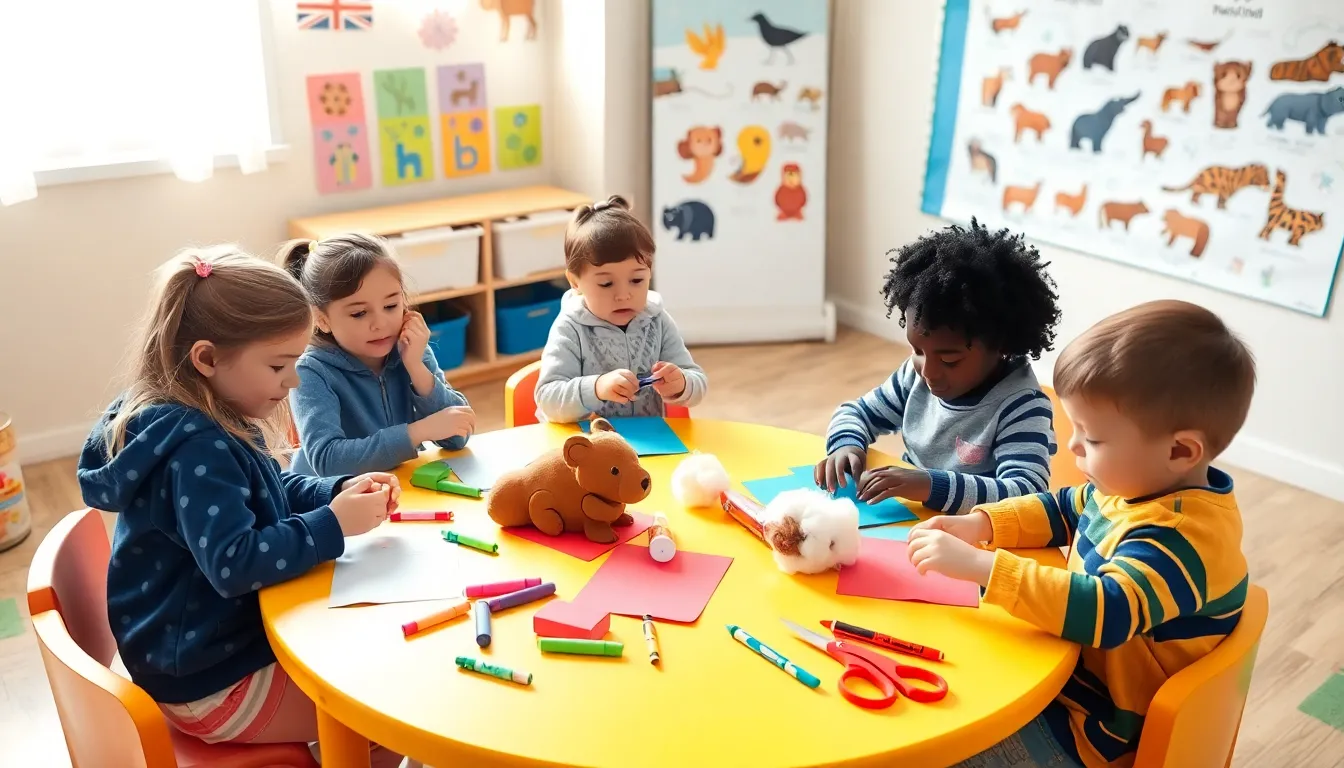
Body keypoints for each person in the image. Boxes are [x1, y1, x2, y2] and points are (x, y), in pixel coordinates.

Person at [76, 248, 409, 766]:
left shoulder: (205, 411)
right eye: (279, 365)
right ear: (207, 359)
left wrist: (333, 492)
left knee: (369, 661)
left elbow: (269, 488)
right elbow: (236, 563)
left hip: (200, 652)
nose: (294, 381)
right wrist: (331, 526)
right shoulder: (196, 449)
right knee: (385, 713)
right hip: (209, 682)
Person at [908, 300, 1256, 768]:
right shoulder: (1138, 486)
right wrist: (984, 525)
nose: (1071, 446)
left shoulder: (1178, 538)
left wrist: (981, 568)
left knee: (934, 747)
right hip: (1067, 680)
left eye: (1092, 438)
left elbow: (1106, 610)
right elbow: (1064, 507)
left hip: (1095, 730)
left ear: (1179, 449)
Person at [815, 219, 1063, 513]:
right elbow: (857, 412)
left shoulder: (1022, 407)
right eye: (917, 350)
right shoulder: (915, 374)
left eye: (949, 360)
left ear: (1002, 346)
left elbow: (1026, 494)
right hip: (916, 521)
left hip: (978, 543)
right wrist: (847, 445)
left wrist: (929, 485)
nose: (928, 372)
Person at [284, 233, 474, 477]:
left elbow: (458, 436)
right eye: (359, 313)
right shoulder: (310, 372)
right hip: (330, 502)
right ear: (322, 319)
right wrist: (418, 432)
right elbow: (327, 461)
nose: (380, 323)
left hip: (395, 489)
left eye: (391, 306)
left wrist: (416, 367)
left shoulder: (410, 349)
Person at [535, 195, 707, 422]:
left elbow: (697, 381)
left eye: (637, 280)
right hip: (585, 447)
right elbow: (548, 398)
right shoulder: (570, 328)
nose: (624, 295)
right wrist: (596, 388)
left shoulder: (658, 320)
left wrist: (682, 383)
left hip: (649, 444)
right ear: (575, 282)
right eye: (606, 284)